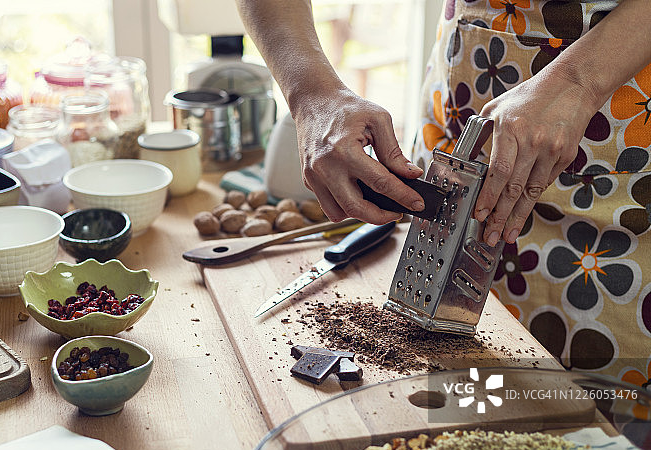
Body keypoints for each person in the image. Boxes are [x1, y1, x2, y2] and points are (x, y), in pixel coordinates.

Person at [235, 0, 651, 390]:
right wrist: (310, 93)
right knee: (442, 406)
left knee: (591, 410)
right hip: (457, 121)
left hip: (606, 170)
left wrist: (577, 82)